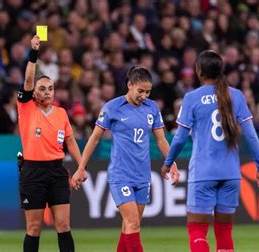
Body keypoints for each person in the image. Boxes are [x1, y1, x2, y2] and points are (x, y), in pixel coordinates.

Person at [160, 50, 259, 252]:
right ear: (221, 70)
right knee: (224, 233)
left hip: (203, 173)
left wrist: (168, 163)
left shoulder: (191, 98)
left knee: (197, 231)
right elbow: (251, 136)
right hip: (230, 174)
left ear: (199, 71)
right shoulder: (236, 96)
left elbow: (180, 138)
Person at [71, 66, 180, 252]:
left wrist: (172, 163)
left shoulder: (152, 108)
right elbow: (94, 139)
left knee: (129, 226)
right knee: (132, 223)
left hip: (143, 175)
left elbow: (161, 139)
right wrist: (81, 167)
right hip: (121, 174)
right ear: (129, 85)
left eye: (148, 92)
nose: (144, 95)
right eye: (140, 91)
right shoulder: (112, 108)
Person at [17, 35, 82, 252]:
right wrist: (33, 53)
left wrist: (80, 167)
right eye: (42, 88)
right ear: (34, 92)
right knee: (34, 227)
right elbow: (27, 80)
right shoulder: (26, 108)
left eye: (50, 88)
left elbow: (71, 141)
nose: (47, 92)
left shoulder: (61, 114)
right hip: (32, 171)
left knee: (63, 225)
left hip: (56, 171)